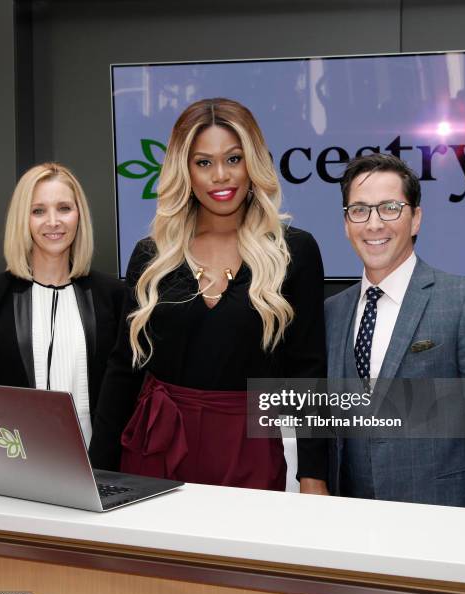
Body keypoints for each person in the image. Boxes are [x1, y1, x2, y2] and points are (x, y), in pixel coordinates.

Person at [89, 98, 328, 493]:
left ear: (253, 163)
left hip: (248, 449)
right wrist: (97, 471)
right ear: (185, 171)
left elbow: (309, 373)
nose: (221, 175)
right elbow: (124, 368)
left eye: (233, 159)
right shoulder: (152, 256)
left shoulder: (293, 252)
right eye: (203, 162)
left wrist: (313, 475)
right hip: (156, 446)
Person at [325, 152, 465, 508]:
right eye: (359, 210)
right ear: (346, 223)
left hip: (442, 517)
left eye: (390, 208)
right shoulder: (332, 312)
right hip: (351, 522)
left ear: (415, 218)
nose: (373, 224)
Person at [0, 163, 125, 446]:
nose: (53, 221)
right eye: (38, 210)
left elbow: (122, 393)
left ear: (79, 216)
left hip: (100, 465)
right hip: (14, 463)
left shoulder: (112, 295)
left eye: (64, 208)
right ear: (22, 219)